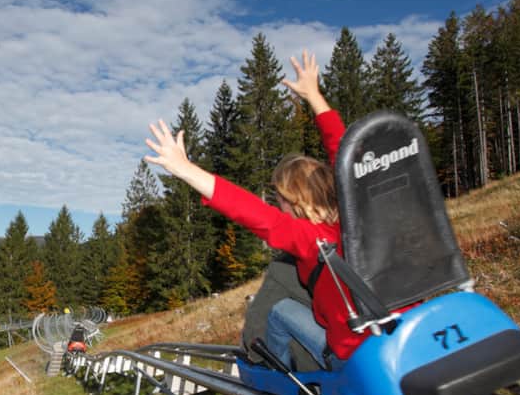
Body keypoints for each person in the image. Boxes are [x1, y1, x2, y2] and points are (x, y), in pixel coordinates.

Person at [144, 50, 361, 370]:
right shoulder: (359, 215)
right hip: (404, 337)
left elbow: (250, 211)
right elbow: (344, 153)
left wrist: (185, 169)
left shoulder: (306, 237)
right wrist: (315, 97)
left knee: (280, 313)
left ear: (294, 201)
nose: (278, 207)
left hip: (355, 356)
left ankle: (277, 381)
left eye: (280, 200)